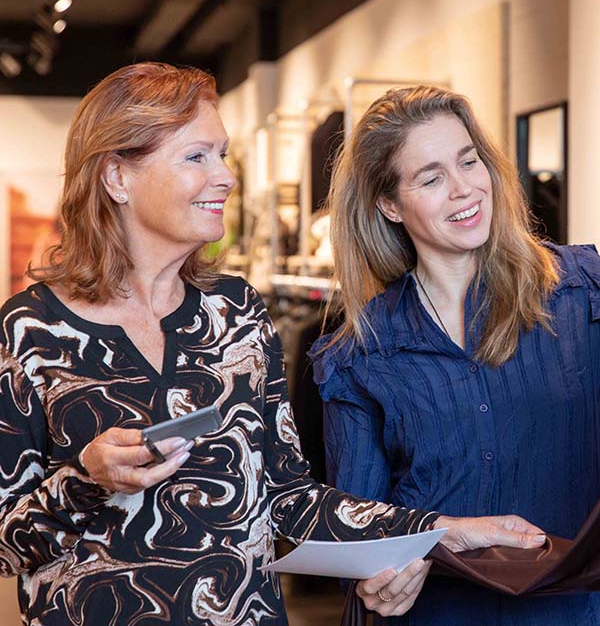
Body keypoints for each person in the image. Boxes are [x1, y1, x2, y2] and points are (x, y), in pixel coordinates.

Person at [0, 65, 546, 626]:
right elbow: (3, 548)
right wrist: (86, 480)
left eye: (222, 155)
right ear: (117, 176)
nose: (225, 177)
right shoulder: (31, 330)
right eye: (197, 157)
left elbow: (289, 499)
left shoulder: (237, 312)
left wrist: (441, 532)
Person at [309, 84, 600, 625]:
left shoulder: (581, 295)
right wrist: (379, 577)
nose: (464, 189)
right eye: (431, 178)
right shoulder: (361, 355)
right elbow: (359, 532)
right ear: (389, 205)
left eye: (469, 162)